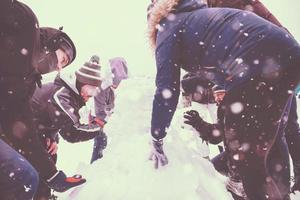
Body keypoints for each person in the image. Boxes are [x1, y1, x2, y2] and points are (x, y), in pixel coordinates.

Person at [147, 0, 300, 199]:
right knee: (268, 145)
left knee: (247, 157)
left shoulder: (167, 26)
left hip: (256, 64)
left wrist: (157, 136)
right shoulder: (201, 18)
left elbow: (167, 87)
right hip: (288, 55)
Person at [0, 0, 85, 199]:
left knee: (25, 174)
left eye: (64, 65)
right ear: (51, 43)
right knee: (22, 175)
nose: (58, 67)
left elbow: (23, 131)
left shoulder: (25, 85)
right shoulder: (26, 23)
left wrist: (53, 175)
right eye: (62, 59)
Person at [90, 57, 128, 164]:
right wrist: (111, 123)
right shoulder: (102, 88)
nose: (116, 86)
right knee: (100, 142)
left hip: (111, 118)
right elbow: (99, 113)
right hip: (99, 119)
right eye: (115, 83)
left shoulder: (125, 88)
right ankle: (95, 167)